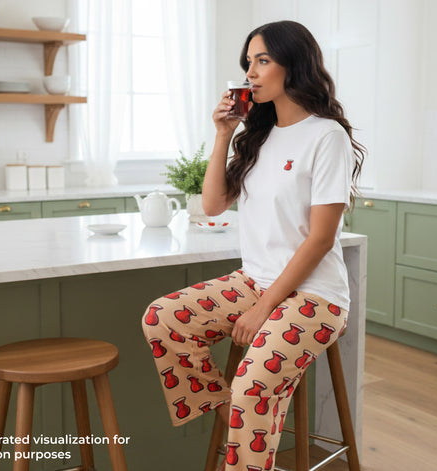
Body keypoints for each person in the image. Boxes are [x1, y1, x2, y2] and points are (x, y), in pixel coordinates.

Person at [142, 20, 365, 471]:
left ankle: (247, 414)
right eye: (249, 63)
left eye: (263, 60)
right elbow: (211, 205)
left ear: (295, 64)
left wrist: (263, 308)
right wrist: (224, 133)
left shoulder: (327, 136)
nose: (251, 73)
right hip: (255, 281)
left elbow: (322, 238)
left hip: (316, 297)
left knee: (252, 387)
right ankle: (239, 416)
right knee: (162, 319)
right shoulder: (258, 136)